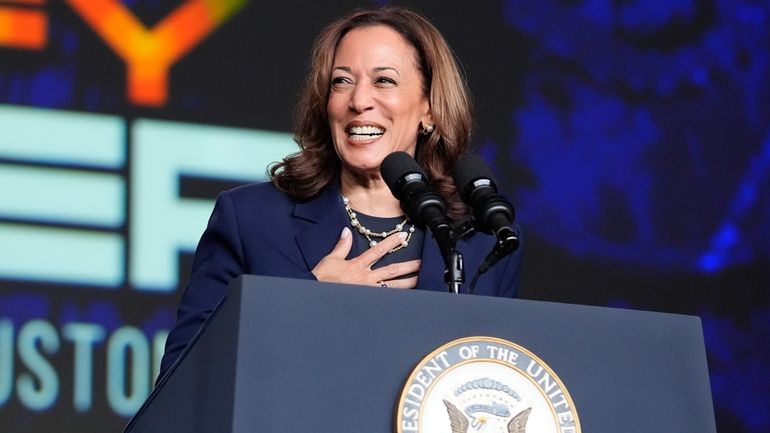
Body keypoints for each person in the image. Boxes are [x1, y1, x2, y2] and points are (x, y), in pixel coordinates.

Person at [158, 6, 522, 379]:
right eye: (341, 81)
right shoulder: (251, 221)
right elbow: (183, 377)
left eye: (384, 81)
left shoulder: (482, 243)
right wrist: (305, 302)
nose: (358, 100)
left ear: (428, 108)